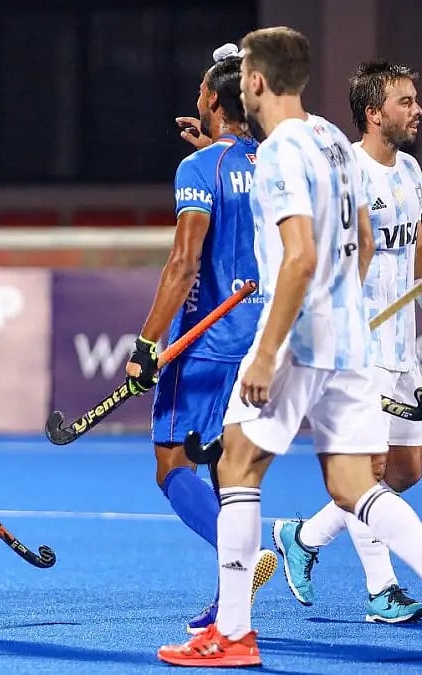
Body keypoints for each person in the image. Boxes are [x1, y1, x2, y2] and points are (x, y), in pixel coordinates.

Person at [157, 27, 422, 668]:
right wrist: (342, 307)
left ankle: (234, 635)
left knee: (236, 471)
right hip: (352, 339)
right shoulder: (334, 140)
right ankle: (235, 629)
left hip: (298, 338)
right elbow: (360, 231)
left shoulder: (279, 151)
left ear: (255, 80)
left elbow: (299, 256)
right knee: (358, 485)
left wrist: (270, 349)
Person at [125, 47, 277, 634]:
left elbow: (184, 263)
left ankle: (237, 558)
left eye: (200, 89)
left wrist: (147, 342)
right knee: (229, 469)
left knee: (171, 466)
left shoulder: (199, 172)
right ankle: (231, 605)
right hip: (262, 338)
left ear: (212, 99)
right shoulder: (268, 160)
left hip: (210, 340)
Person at [272, 59, 422, 624]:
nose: (417, 110)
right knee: (371, 473)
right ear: (373, 113)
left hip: (405, 347)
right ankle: (382, 589)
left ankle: (304, 537)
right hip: (362, 351)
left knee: (407, 470)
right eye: (405, 102)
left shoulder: (411, 172)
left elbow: (416, 253)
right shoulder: (348, 175)